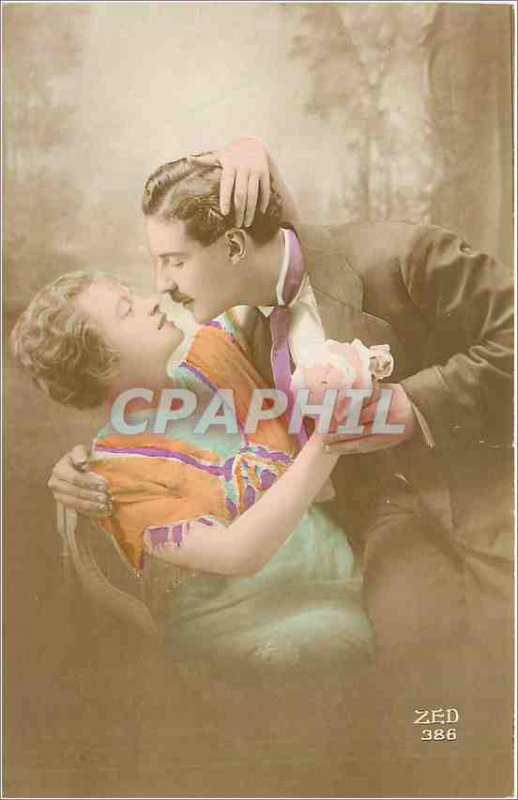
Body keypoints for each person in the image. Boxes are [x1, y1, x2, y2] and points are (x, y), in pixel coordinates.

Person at [47, 138, 514, 660]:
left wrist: (413, 402)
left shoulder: (401, 257)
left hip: (489, 485)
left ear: (233, 247)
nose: (160, 286)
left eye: (174, 261)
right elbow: (144, 418)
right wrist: (83, 466)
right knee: (418, 654)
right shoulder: (240, 331)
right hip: (384, 524)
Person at [11, 270, 373, 680]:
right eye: (126, 311)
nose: (151, 301)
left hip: (340, 578)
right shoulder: (116, 472)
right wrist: (329, 434)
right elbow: (237, 554)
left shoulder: (214, 351)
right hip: (243, 623)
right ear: (98, 366)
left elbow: (264, 272)